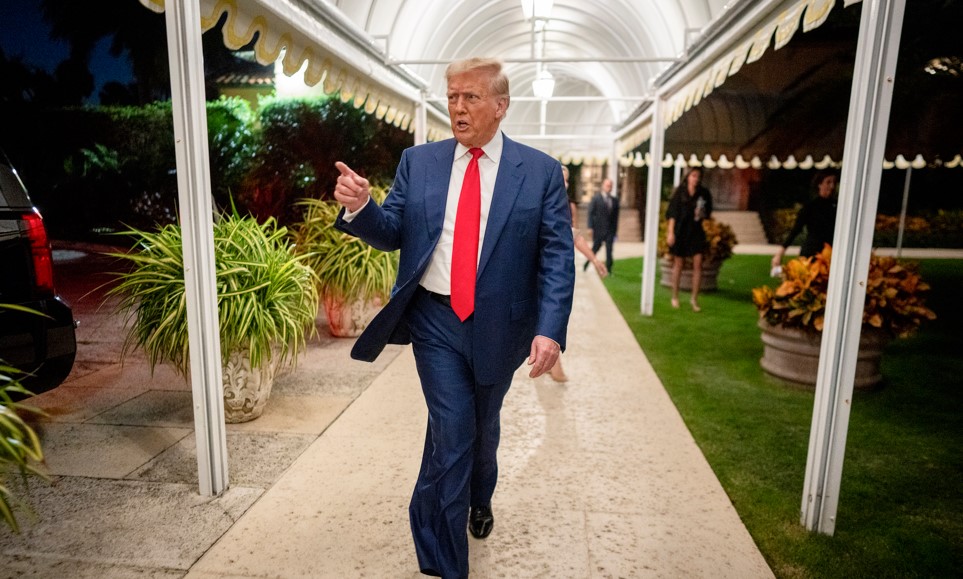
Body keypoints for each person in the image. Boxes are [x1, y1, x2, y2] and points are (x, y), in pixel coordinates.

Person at [332, 57, 575, 579]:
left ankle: (479, 498)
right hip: (435, 321)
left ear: (500, 105)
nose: (458, 108)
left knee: (482, 430)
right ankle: (444, 562)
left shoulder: (539, 172)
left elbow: (556, 256)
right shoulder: (418, 162)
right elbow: (392, 229)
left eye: (471, 98)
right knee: (453, 429)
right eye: (452, 96)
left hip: (501, 327)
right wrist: (361, 208)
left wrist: (550, 330)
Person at [548, 166, 607, 383]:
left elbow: (574, 236)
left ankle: (551, 363)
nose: (564, 184)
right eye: (560, 179)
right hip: (540, 268)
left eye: (566, 181)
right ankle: (552, 364)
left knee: (554, 312)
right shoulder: (539, 200)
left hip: (559, 269)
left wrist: (594, 260)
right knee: (547, 314)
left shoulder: (568, 205)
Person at [665, 167, 713, 312]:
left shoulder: (704, 193)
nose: (695, 179)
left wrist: (702, 213)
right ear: (688, 177)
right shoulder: (680, 192)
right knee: (678, 263)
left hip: (696, 231)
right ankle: (674, 296)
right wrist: (670, 233)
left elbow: (708, 212)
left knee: (698, 263)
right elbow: (672, 213)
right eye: (693, 175)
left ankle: (694, 299)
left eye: (698, 176)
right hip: (681, 231)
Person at [771, 170, 839, 269]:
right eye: (828, 182)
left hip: (830, 254)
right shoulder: (810, 207)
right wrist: (779, 254)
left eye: (834, 182)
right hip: (811, 253)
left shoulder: (837, 207)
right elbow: (795, 230)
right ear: (819, 184)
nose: (832, 186)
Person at [585, 177, 619, 274]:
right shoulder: (596, 199)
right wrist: (590, 227)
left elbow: (616, 218)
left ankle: (609, 269)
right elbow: (590, 213)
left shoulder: (614, 201)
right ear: (603, 186)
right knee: (595, 249)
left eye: (610, 186)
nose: (609, 187)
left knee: (609, 251)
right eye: (607, 185)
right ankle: (586, 264)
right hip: (598, 230)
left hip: (610, 231)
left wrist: (615, 232)